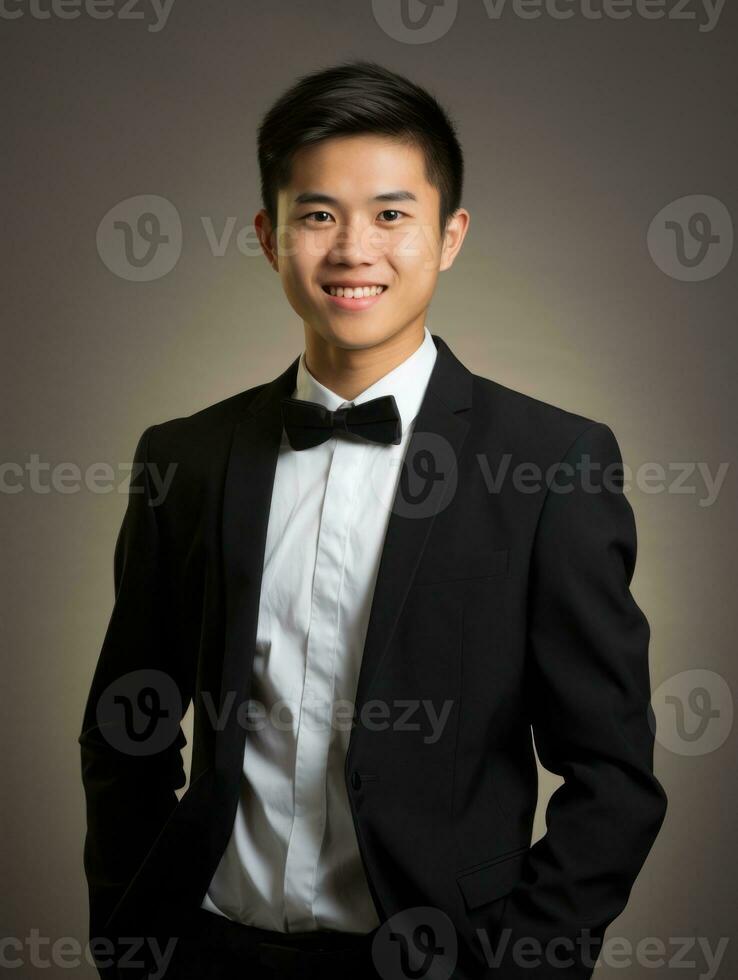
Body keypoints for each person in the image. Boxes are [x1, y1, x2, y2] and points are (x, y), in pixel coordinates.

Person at [79, 60, 668, 980]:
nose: (354, 248)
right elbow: (129, 724)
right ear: (270, 237)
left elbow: (614, 776)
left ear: (451, 235)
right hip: (208, 948)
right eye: (318, 215)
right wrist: (130, 937)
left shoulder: (553, 464)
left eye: (392, 215)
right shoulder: (184, 458)